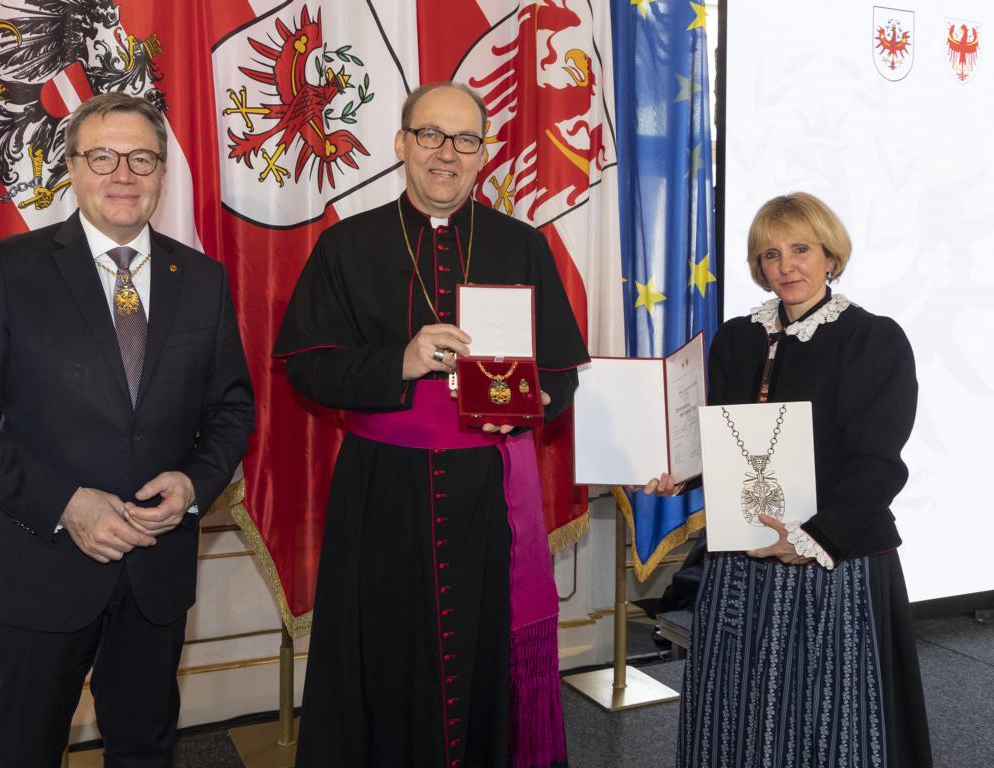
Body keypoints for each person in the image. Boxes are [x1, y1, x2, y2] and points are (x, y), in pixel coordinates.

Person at [0, 93, 254, 766]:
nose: (123, 174)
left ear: (163, 172)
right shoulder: (10, 269)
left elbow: (231, 410)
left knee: (145, 751)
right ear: (71, 167)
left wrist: (193, 484)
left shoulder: (202, 279)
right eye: (102, 157)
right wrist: (66, 503)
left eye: (141, 158)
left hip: (155, 576)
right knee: (23, 751)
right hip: (40, 573)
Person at [274, 82, 588, 767]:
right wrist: (401, 360)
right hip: (382, 493)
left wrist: (534, 403)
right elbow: (306, 368)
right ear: (402, 144)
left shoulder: (521, 245)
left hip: (488, 493)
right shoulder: (345, 246)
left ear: (483, 154)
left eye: (465, 140)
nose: (447, 153)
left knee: (485, 651)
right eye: (431, 136)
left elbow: (562, 371)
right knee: (383, 657)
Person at [648, 192, 932, 766]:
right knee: (734, 711)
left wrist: (812, 539)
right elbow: (730, 440)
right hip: (743, 559)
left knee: (828, 718)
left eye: (801, 249)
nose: (786, 267)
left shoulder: (872, 338)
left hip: (833, 559)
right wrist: (686, 473)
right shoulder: (736, 337)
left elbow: (879, 463)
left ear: (830, 255)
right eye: (771, 255)